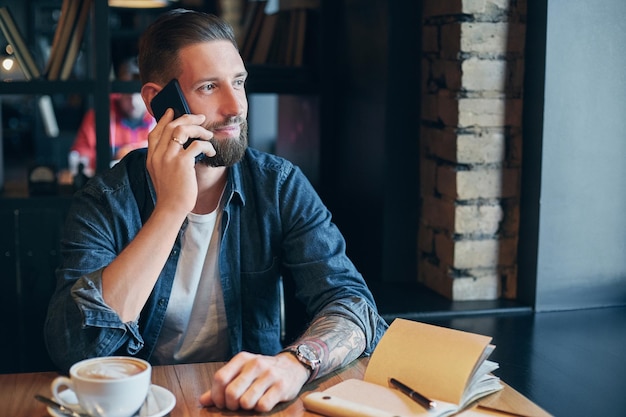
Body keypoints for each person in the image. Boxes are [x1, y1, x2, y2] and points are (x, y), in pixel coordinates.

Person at [45, 9, 387, 413]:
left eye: (238, 82)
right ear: (159, 101)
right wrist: (172, 209)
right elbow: (75, 348)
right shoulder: (106, 199)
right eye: (209, 86)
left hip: (242, 405)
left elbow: (353, 306)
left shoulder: (278, 185)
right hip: (141, 406)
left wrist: (295, 364)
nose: (235, 106)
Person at [69, 57, 155, 175]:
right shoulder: (99, 116)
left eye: (139, 93)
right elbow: (79, 159)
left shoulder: (160, 116)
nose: (133, 101)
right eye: (127, 93)